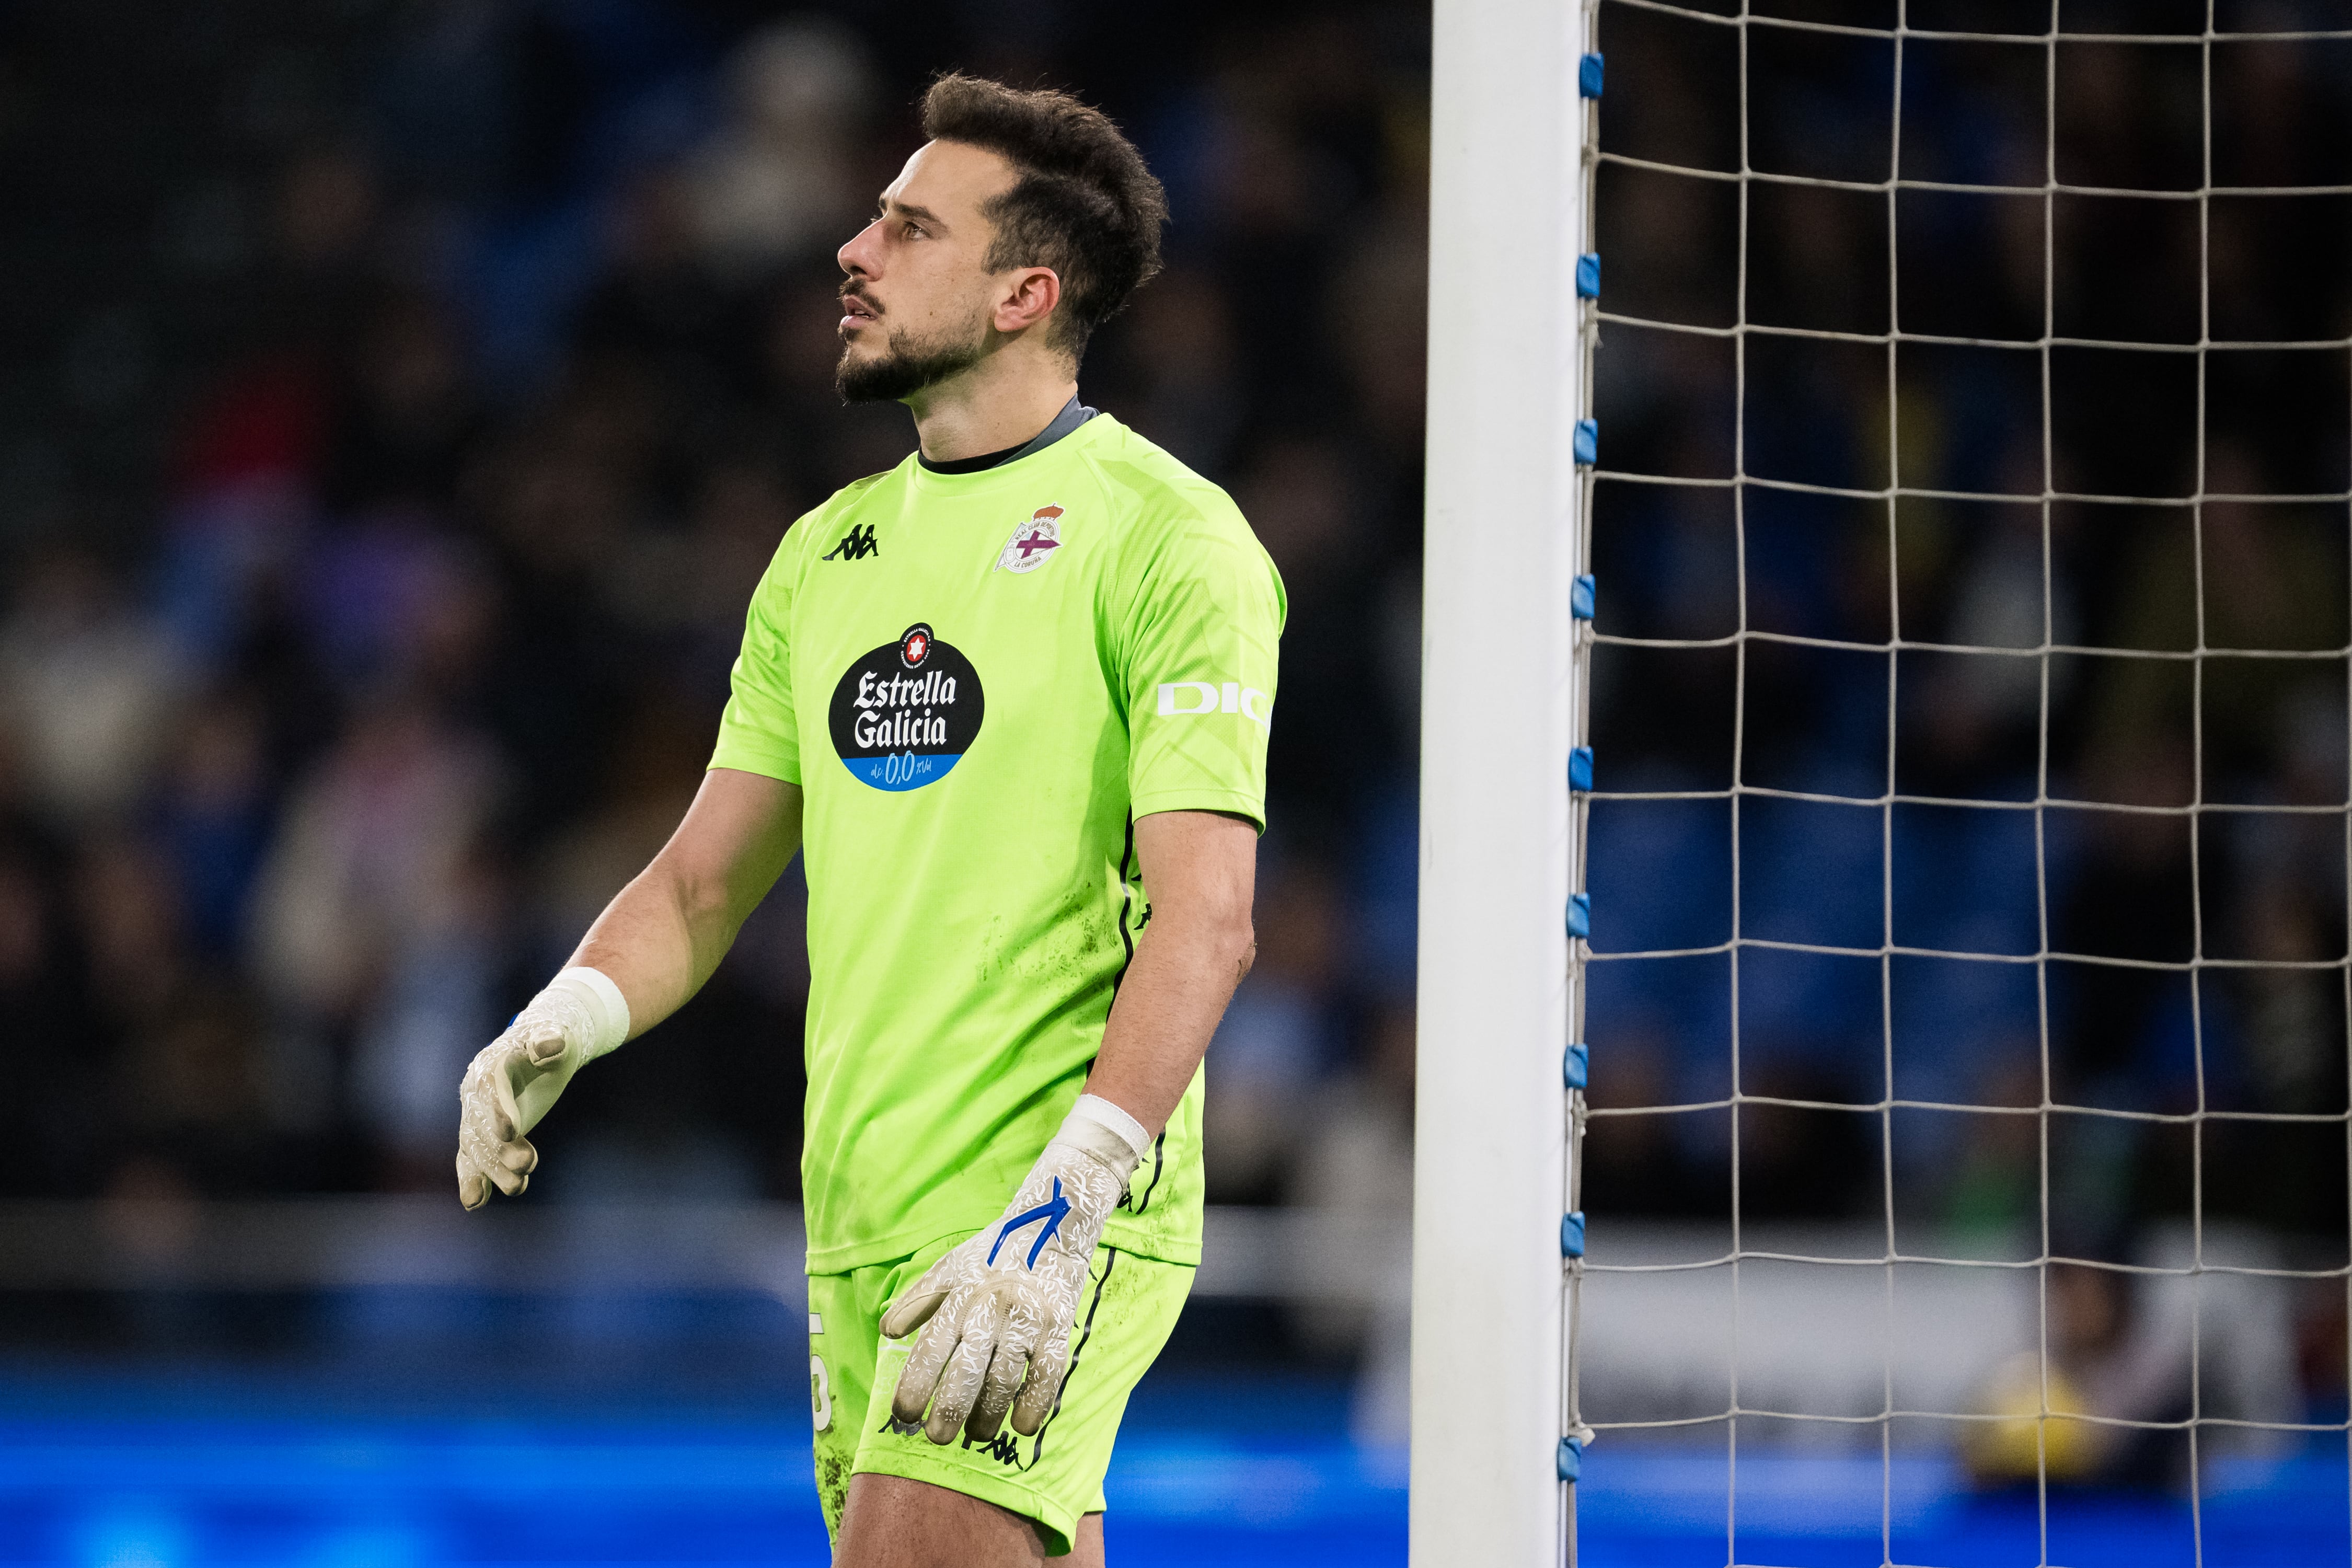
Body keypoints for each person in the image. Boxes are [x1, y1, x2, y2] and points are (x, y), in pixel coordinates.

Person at [453, 74, 1283, 1566]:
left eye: (909, 228)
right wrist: (561, 1015)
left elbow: (1208, 918)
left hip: (1046, 1201)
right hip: (856, 1218)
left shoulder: (1170, 539)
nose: (852, 249)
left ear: (1025, 294)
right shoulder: (822, 556)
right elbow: (701, 888)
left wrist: (1064, 1207)